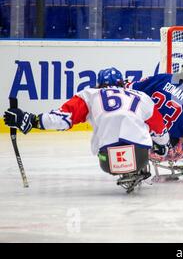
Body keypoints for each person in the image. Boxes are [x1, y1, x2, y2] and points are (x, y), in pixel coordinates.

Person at [3, 68, 171, 193]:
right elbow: (159, 128)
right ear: (123, 83)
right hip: (140, 154)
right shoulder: (140, 96)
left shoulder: (89, 95)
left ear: (98, 84)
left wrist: (32, 120)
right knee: (145, 131)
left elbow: (63, 119)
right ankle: (137, 166)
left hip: (107, 158)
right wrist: (163, 146)